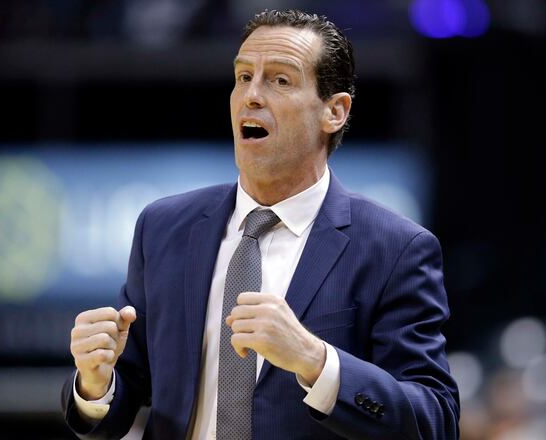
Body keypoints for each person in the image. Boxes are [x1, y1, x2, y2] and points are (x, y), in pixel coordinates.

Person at [62, 9, 459, 440]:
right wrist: (95, 383)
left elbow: (434, 420)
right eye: (243, 76)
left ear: (335, 111)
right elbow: (127, 387)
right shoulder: (164, 228)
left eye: (280, 80)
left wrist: (316, 361)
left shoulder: (395, 248)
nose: (251, 96)